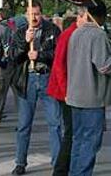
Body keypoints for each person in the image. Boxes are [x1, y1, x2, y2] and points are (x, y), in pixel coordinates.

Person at [11, 2, 62, 175]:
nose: (34, 17)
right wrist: (25, 43)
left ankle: (58, 164)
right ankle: (20, 162)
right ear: (25, 15)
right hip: (28, 79)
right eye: (30, 14)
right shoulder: (20, 32)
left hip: (47, 78)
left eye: (37, 14)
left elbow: (59, 54)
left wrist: (40, 55)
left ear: (42, 14)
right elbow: (12, 57)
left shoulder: (53, 30)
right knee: (24, 124)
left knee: (55, 123)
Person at [66, 0, 111, 176]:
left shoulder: (76, 33)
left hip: (75, 94)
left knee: (78, 140)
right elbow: (104, 66)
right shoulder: (98, 35)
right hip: (91, 97)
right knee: (90, 143)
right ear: (101, 16)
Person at [47, 10, 84, 176]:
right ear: (80, 17)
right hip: (66, 91)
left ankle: (66, 168)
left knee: (74, 131)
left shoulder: (77, 33)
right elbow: (59, 65)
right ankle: (61, 170)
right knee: (71, 132)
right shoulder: (69, 35)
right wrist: (66, 91)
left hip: (72, 89)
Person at [0, 9, 19, 128]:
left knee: (0, 95)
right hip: (16, 64)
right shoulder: (16, 28)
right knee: (19, 96)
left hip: (3, 65)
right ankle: (23, 121)